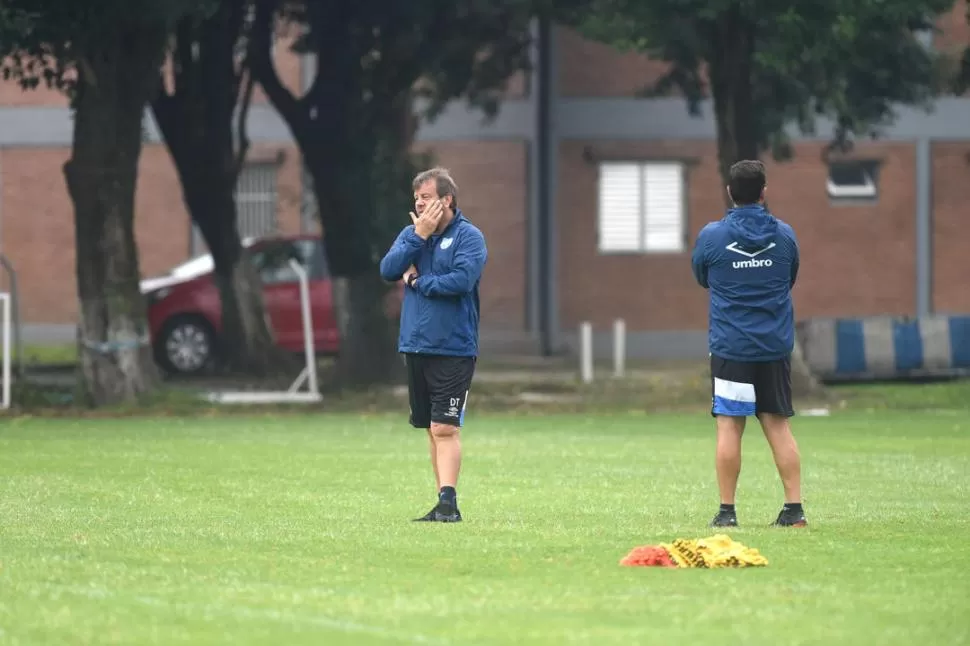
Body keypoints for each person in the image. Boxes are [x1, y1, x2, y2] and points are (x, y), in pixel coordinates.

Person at [690, 159, 806, 529]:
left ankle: (727, 513)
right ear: (763, 192)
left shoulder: (712, 236)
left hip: (731, 347)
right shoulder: (785, 235)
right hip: (773, 347)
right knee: (777, 424)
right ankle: (794, 510)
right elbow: (789, 277)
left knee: (729, 426)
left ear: (730, 192)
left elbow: (701, 276)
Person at [379, 167, 488, 523]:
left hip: (454, 347)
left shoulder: (469, 237)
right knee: (431, 427)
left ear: (447, 200)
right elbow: (388, 268)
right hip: (415, 345)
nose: (419, 203)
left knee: (446, 427)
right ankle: (442, 501)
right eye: (417, 198)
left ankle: (449, 503)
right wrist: (418, 236)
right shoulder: (413, 235)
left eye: (426, 197)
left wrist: (418, 281)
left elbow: (460, 280)